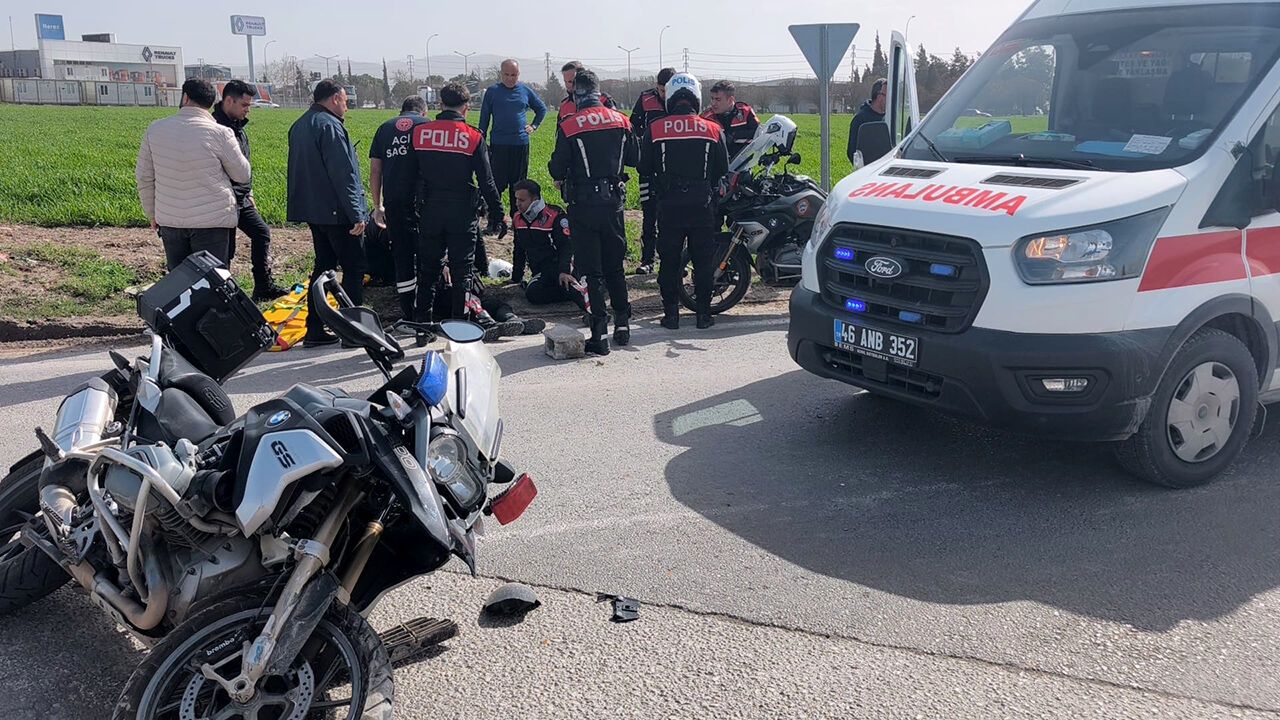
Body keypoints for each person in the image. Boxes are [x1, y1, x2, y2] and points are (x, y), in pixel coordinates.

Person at [549, 69, 637, 357]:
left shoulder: (570, 124)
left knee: (592, 272)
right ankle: (623, 323)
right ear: (599, 92)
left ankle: (600, 335)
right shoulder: (622, 120)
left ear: (576, 94)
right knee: (615, 267)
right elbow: (635, 158)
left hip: (584, 206)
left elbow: (556, 168)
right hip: (614, 204)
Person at [412, 82, 507, 325]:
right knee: (462, 272)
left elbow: (410, 175)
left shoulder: (420, 133)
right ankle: (460, 328)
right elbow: (486, 181)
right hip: (461, 212)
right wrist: (498, 213)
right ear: (467, 107)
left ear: (440, 103)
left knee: (428, 271)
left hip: (430, 209)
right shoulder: (473, 136)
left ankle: (422, 326)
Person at [640, 73, 729, 331]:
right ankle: (703, 315)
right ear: (696, 98)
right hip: (701, 204)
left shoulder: (655, 128)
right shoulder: (713, 129)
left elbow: (644, 166)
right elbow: (721, 168)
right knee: (702, 262)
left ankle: (671, 316)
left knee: (669, 262)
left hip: (669, 205)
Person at [136, 78, 250, 271]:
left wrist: (152, 214)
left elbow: (144, 177)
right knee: (213, 280)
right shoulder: (221, 133)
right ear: (211, 103)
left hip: (170, 220)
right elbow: (242, 175)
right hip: (212, 222)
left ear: (185, 98)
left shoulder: (155, 130)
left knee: (179, 280)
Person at [286, 79, 368, 348]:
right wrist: (357, 213)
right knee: (354, 267)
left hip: (313, 210)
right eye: (345, 101)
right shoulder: (330, 126)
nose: (347, 106)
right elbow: (343, 174)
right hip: (336, 211)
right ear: (334, 99)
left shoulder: (300, 124)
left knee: (322, 269)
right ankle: (354, 330)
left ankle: (314, 329)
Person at [212, 79, 287, 301]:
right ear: (229, 101)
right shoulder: (215, 128)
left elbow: (244, 164)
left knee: (261, 232)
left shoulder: (239, 128)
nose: (248, 110)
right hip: (223, 199)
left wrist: (249, 191)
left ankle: (263, 286)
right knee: (226, 249)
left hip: (242, 198)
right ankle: (222, 297)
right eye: (244, 105)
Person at [369, 96, 430, 329]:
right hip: (425, 201)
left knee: (402, 256)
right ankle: (426, 312)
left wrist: (377, 206)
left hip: (394, 202)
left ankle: (407, 314)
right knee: (427, 255)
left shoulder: (384, 129)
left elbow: (376, 171)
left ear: (401, 111)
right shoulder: (428, 126)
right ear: (423, 111)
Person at [478, 59, 547, 220]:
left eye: (514, 75)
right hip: (499, 145)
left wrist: (534, 126)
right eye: (507, 74)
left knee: (518, 186)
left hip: (520, 145)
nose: (510, 78)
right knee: (496, 184)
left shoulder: (525, 91)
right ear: (501, 74)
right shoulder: (493, 92)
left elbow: (541, 109)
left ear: (518, 74)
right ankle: (494, 219)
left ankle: (517, 221)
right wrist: (481, 138)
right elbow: (484, 117)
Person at [510, 179, 586, 312]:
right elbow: (519, 249)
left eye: (522, 200)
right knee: (533, 294)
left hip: (560, 266)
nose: (517, 204)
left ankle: (593, 310)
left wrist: (564, 271)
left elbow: (567, 246)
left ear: (534, 200)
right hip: (541, 271)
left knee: (568, 284)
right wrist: (516, 277)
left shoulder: (555, 216)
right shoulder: (517, 218)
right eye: (516, 199)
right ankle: (571, 292)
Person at [630, 67, 676, 276]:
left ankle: (674, 261)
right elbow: (633, 125)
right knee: (649, 215)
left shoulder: (682, 99)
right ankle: (647, 260)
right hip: (649, 165)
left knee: (673, 217)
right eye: (661, 89)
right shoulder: (645, 98)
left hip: (674, 168)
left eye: (667, 90)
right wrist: (647, 137)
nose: (664, 94)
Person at [703, 81, 760, 161]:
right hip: (716, 165)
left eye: (718, 99)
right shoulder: (706, 117)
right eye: (712, 98)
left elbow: (759, 133)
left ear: (730, 100)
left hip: (742, 164)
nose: (713, 103)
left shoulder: (745, 112)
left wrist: (734, 135)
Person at [847, 78, 889, 167]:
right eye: (889, 95)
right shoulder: (860, 119)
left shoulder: (889, 118)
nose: (891, 100)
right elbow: (852, 152)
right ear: (879, 96)